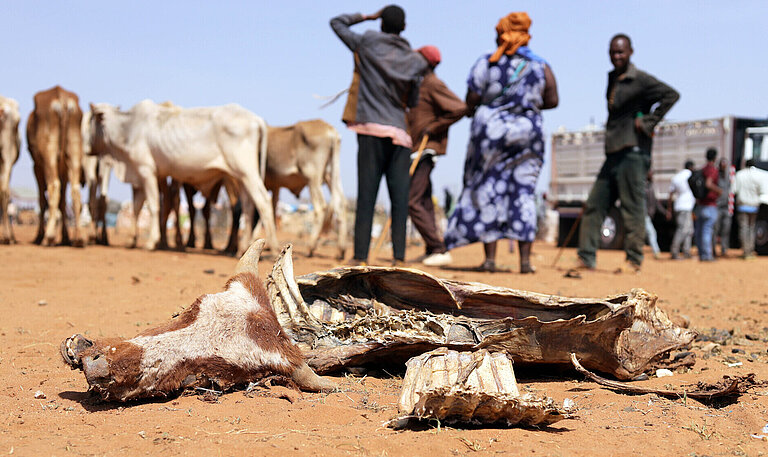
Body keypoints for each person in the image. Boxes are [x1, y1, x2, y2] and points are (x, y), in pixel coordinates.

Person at [443, 12, 558, 274]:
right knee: (523, 192)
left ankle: (491, 260)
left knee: (488, 189)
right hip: (527, 137)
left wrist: (488, 107)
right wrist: (525, 105)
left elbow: (472, 97)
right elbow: (553, 100)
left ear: (501, 34)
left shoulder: (488, 62)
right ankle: (526, 262)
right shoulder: (540, 65)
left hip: (490, 136)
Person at [330, 5, 428, 266]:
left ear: (381, 23)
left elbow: (337, 22)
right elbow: (414, 100)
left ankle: (360, 257)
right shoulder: (415, 60)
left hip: (370, 129)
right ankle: (398, 258)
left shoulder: (367, 43)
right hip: (399, 134)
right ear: (404, 28)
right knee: (399, 199)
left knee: (367, 196)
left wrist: (366, 16)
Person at [575, 34, 679, 273]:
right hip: (613, 151)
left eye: (620, 52)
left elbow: (671, 95)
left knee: (632, 207)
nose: (616, 56)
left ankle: (634, 259)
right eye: (612, 52)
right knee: (595, 204)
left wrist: (648, 123)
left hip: (633, 153)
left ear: (631, 52)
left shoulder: (640, 79)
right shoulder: (612, 78)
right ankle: (586, 256)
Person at [406, 45, 467, 267]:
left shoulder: (433, 83)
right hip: (415, 149)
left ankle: (439, 248)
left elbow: (460, 107)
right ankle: (432, 249)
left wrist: (435, 127)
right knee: (423, 199)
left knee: (411, 200)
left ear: (426, 62)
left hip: (425, 149)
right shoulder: (419, 84)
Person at [732, 159, 768, 259]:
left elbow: (734, 190)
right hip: (754, 206)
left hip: (743, 206)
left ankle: (745, 250)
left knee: (744, 228)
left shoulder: (739, 175)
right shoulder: (759, 175)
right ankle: (751, 250)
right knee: (752, 228)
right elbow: (763, 191)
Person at [693, 148, 722, 261]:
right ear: (715, 158)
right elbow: (708, 184)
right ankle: (706, 255)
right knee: (707, 231)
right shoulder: (712, 170)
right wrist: (718, 191)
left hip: (700, 205)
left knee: (700, 231)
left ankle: (701, 254)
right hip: (710, 205)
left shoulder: (703, 169)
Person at [667, 160, 696, 259]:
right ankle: (674, 251)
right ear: (691, 167)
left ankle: (686, 251)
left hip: (679, 206)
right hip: (686, 207)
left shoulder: (676, 177)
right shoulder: (691, 175)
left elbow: (670, 194)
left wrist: (669, 209)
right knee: (683, 230)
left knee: (689, 230)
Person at [712, 157, 733, 257]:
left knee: (726, 229)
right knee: (715, 229)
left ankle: (724, 249)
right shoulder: (716, 176)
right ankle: (713, 249)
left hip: (726, 207)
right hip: (717, 206)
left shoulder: (729, 176)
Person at [644, 170, 664, 259]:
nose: (652, 175)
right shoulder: (643, 187)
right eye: (651, 174)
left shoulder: (650, 186)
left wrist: (664, 212)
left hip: (648, 215)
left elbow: (655, 202)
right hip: (644, 215)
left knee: (645, 233)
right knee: (652, 232)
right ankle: (656, 252)